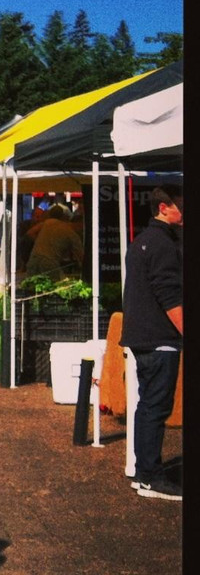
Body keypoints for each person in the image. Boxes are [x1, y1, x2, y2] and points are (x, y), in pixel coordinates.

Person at [120, 185, 183, 501]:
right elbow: (169, 295)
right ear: (163, 208)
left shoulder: (144, 242)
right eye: (179, 207)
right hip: (159, 339)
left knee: (148, 407)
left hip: (143, 338)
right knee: (155, 408)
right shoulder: (161, 244)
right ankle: (150, 476)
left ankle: (144, 472)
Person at [23, 204, 83, 280]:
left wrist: (41, 243)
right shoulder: (72, 234)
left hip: (34, 258)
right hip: (49, 262)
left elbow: (30, 233)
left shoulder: (48, 222)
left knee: (30, 286)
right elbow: (81, 257)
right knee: (56, 286)